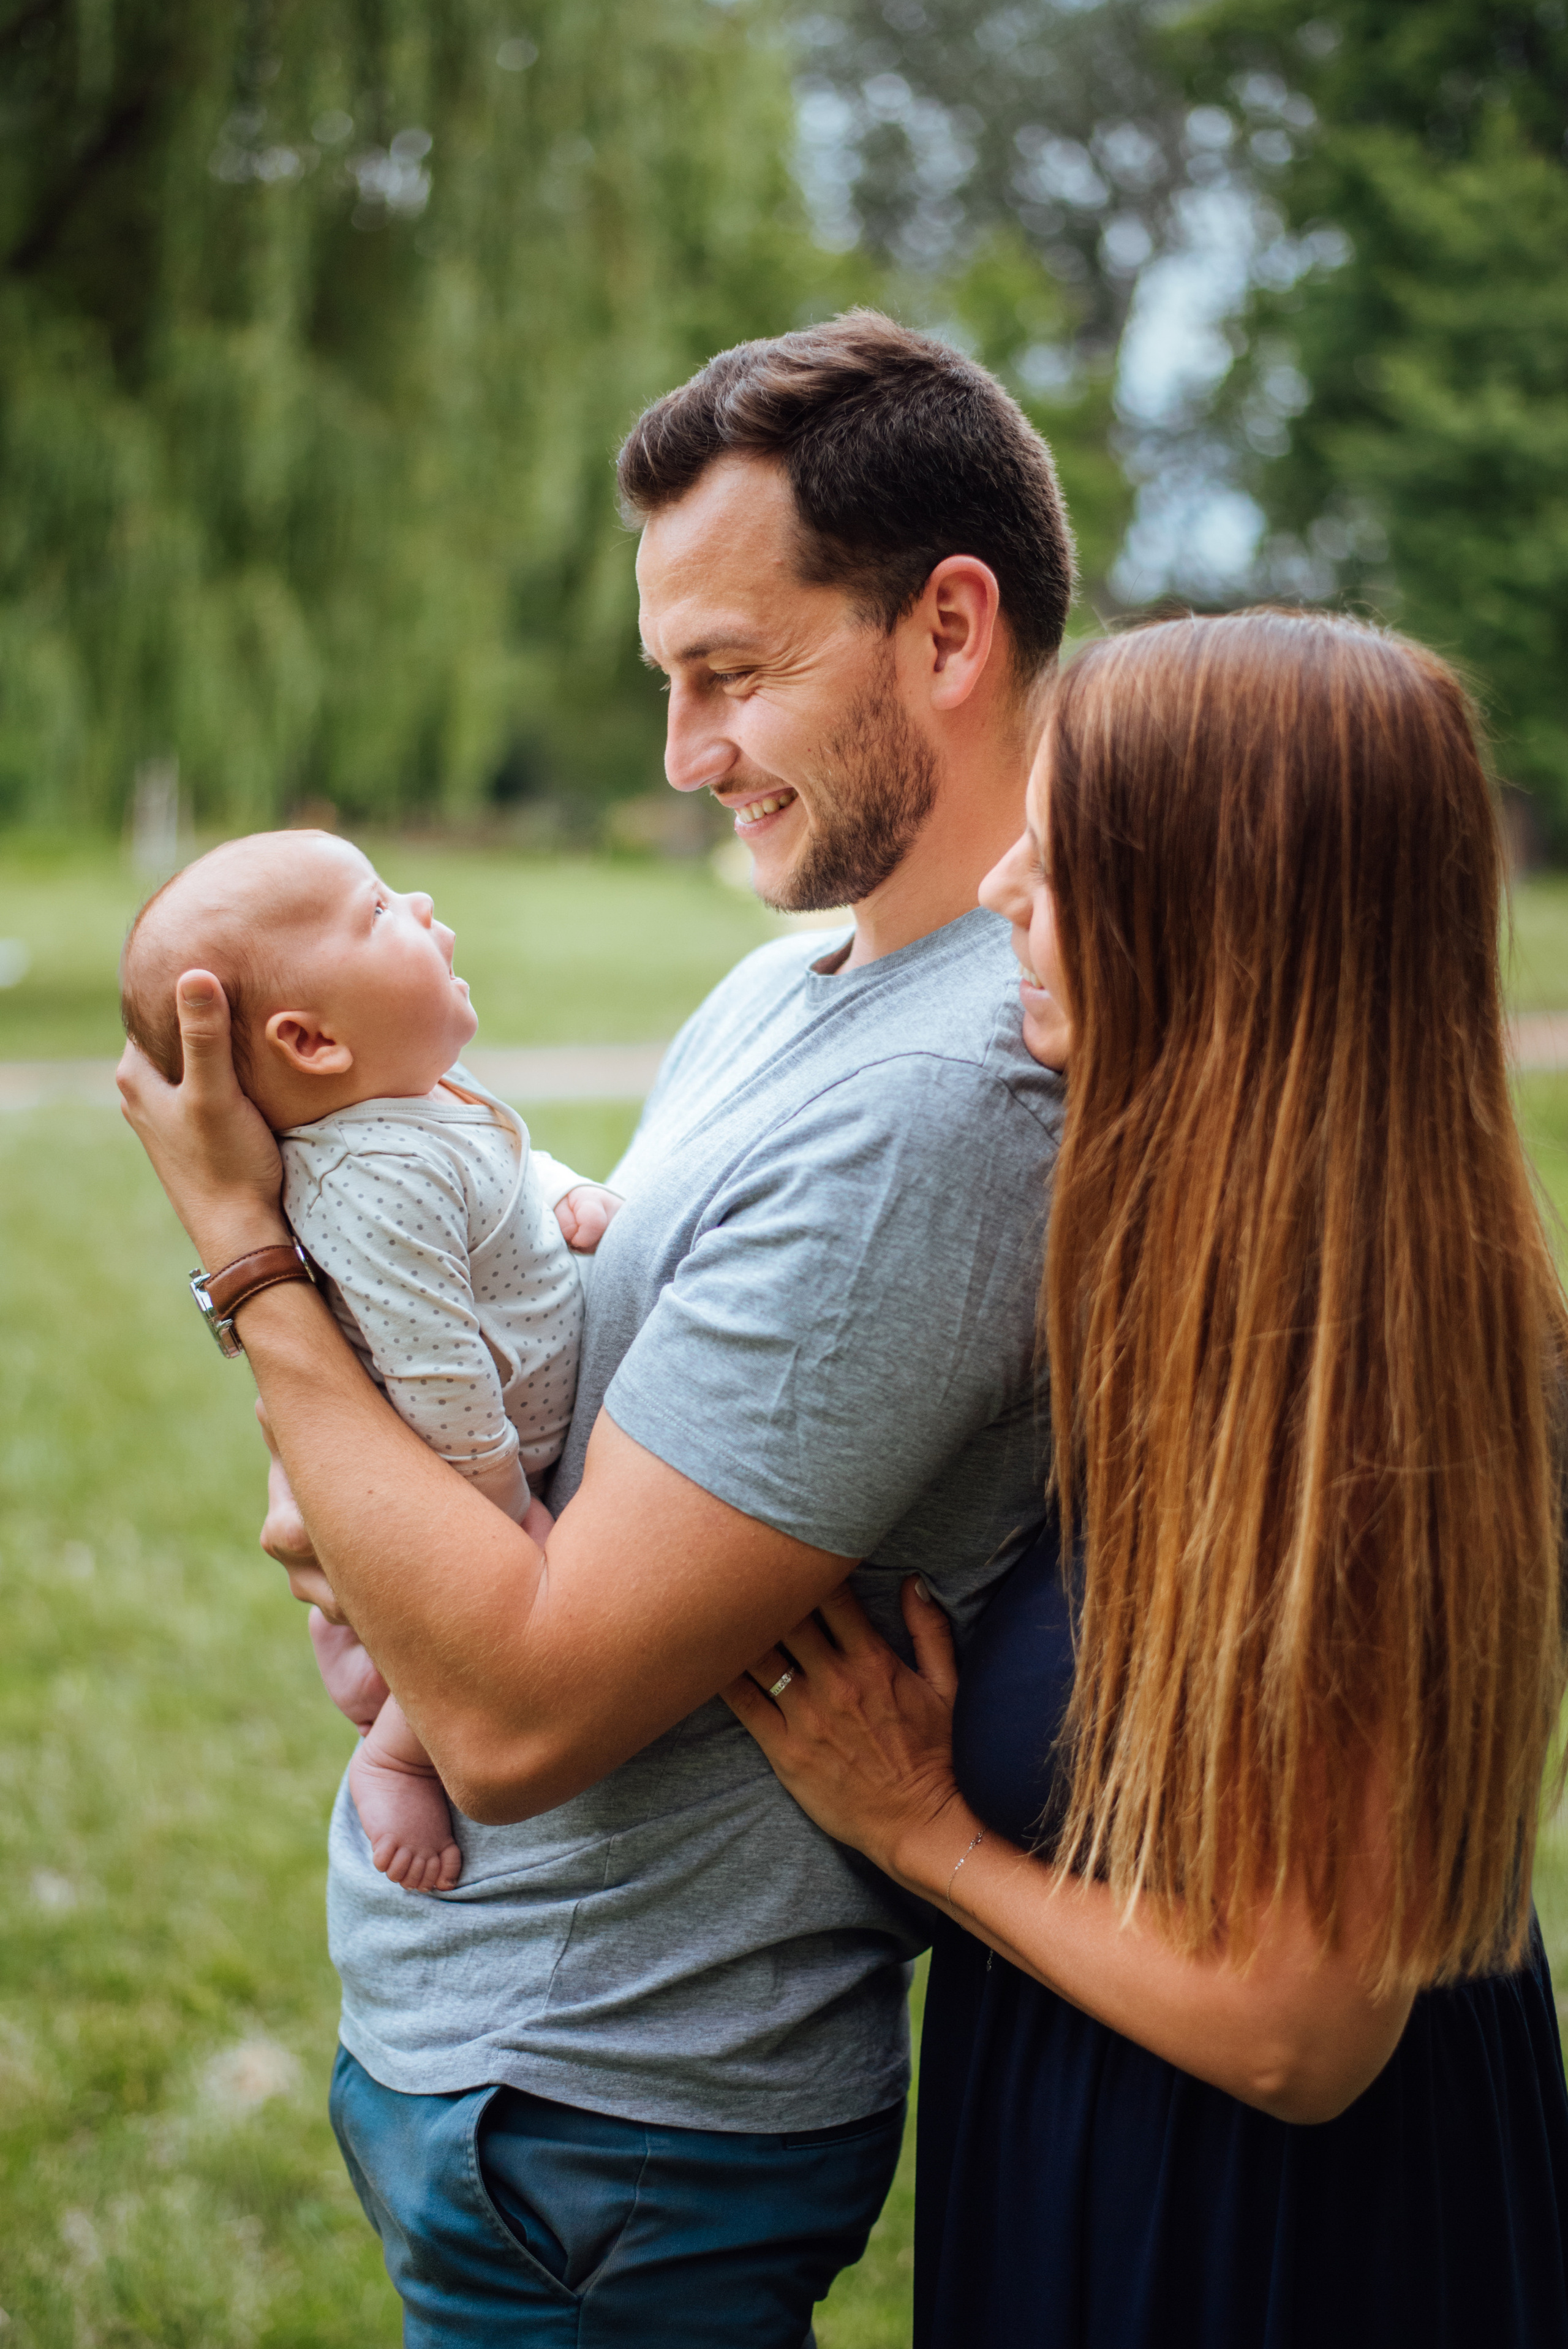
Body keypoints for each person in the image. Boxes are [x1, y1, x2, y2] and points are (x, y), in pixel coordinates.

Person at [114, 312, 1072, 2345]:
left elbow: (520, 1720)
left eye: (734, 674)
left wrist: (247, 1263)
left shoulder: (956, 1101)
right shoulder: (787, 990)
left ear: (947, 629)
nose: (685, 753)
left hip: (617, 2111)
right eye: (668, 682)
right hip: (501, 2072)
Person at [725, 608, 1568, 2348]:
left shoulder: (1358, 1385)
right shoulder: (1203, 1273)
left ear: (1219, 918)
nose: (1003, 885)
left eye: (1065, 851)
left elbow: (1297, 2032)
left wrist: (923, 1834)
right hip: (1104, 2139)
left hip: (1265, 2233)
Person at [119, 828, 618, 1893]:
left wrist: (566, 1191)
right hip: (461, 1471)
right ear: (312, 1041)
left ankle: (368, 1663)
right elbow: (436, 1379)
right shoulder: (371, 1179)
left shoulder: (416, 1099)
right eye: (381, 910)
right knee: (460, 1646)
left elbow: (501, 1169)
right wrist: (505, 1516)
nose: (424, 902)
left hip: (493, 1454)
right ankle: (395, 1756)